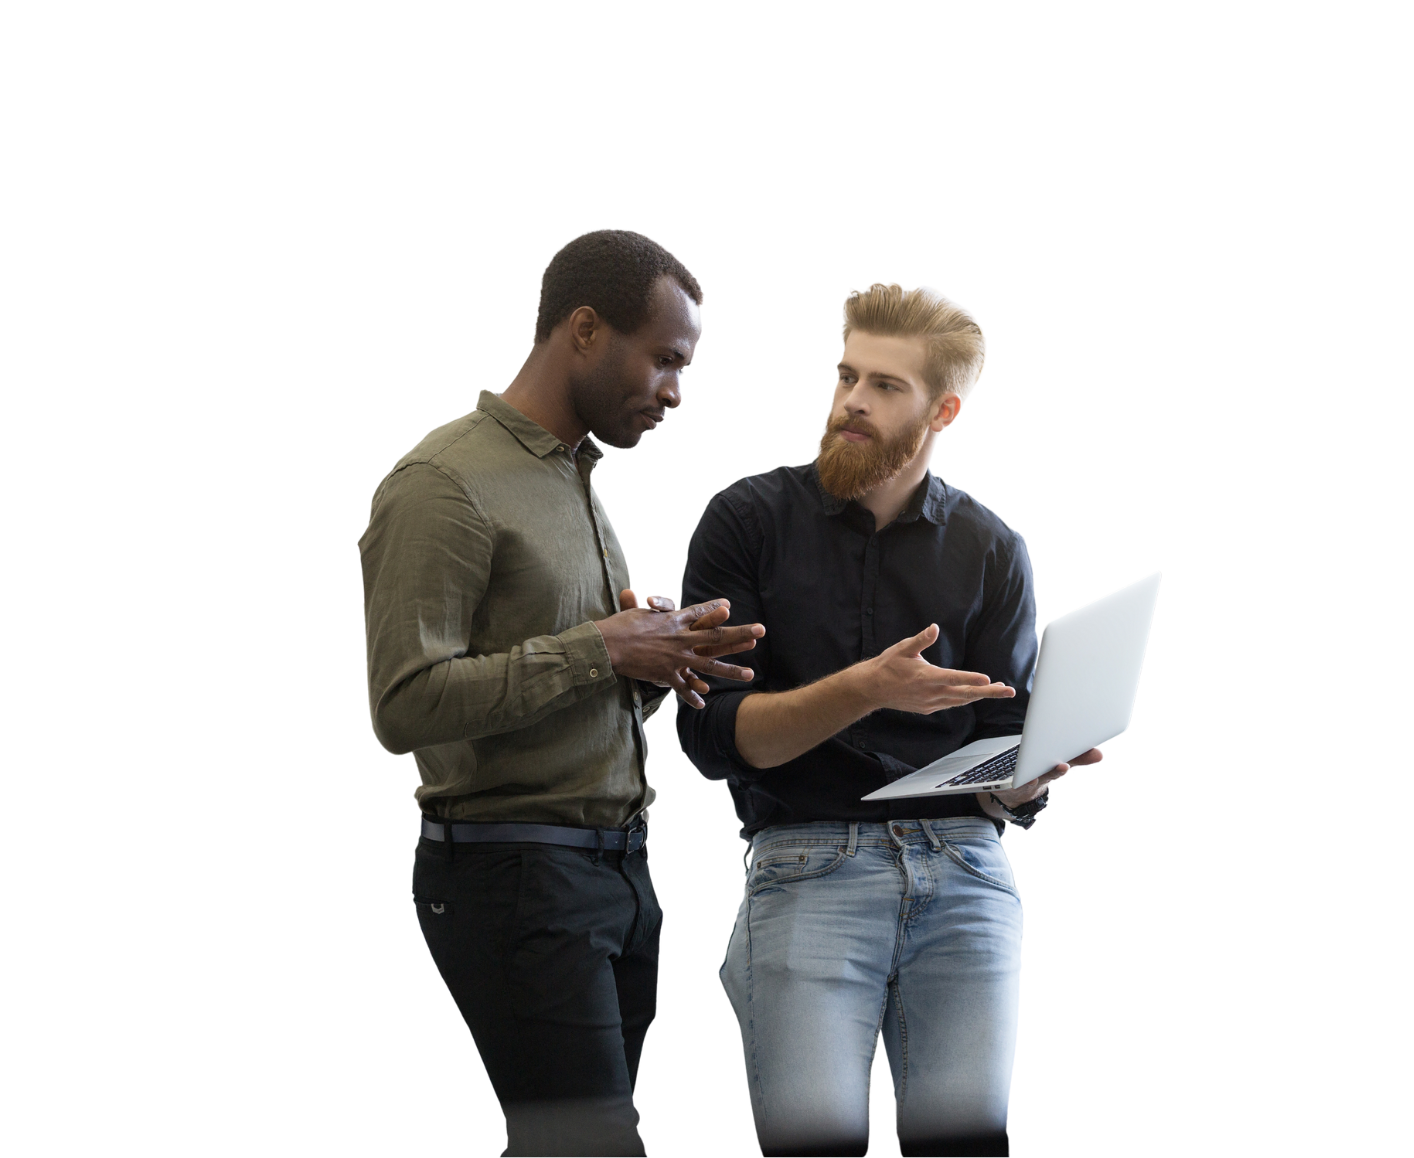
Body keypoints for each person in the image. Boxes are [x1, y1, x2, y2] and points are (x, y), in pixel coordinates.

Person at [672, 277, 1103, 1157]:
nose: (852, 402)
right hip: (809, 864)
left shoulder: (994, 549)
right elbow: (712, 740)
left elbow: (1001, 753)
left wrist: (1026, 779)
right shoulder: (745, 519)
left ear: (943, 411)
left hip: (966, 868)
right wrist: (865, 688)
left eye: (884, 385)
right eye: (846, 376)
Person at [358, 228, 764, 1158]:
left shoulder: (578, 484)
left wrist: (659, 658)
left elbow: (576, 679)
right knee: (588, 1145)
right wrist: (600, 648)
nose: (676, 391)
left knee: (576, 1143)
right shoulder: (442, 485)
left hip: (616, 875)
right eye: (664, 359)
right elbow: (404, 706)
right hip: (515, 876)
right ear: (585, 330)